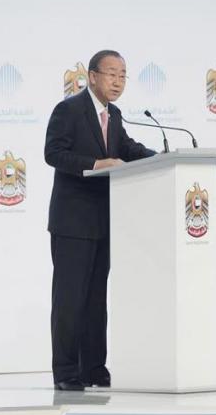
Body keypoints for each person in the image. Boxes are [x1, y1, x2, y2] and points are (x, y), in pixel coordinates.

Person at [44, 50, 156, 391]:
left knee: (96, 300)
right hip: (72, 222)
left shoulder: (115, 114)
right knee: (70, 300)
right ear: (92, 76)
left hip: (104, 222)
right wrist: (95, 164)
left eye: (123, 75)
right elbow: (53, 153)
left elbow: (127, 148)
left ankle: (93, 367)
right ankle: (66, 371)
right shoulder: (68, 110)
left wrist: (164, 157)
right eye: (111, 74)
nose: (118, 81)